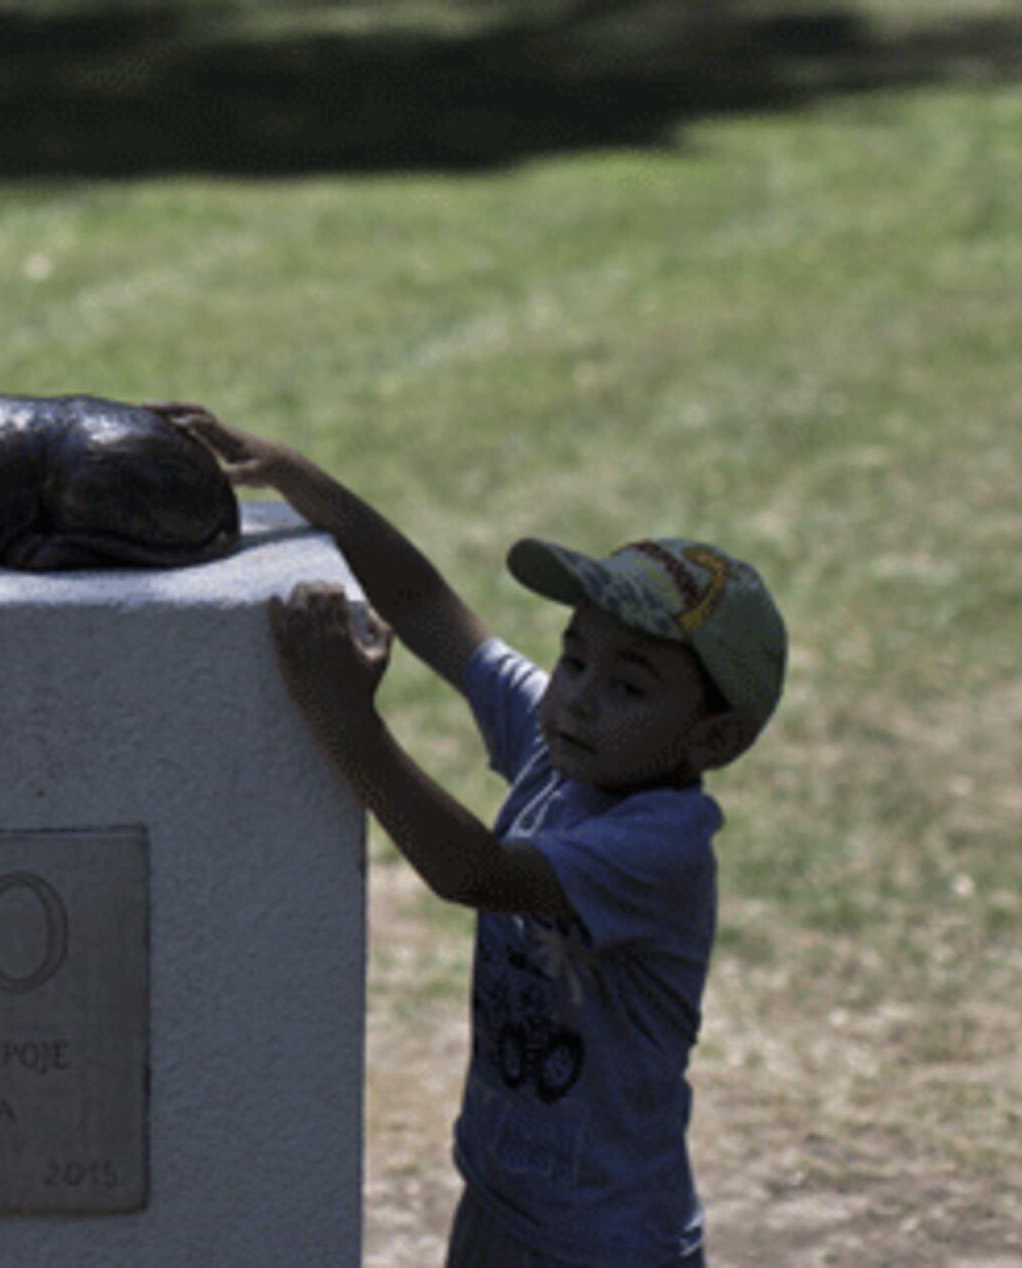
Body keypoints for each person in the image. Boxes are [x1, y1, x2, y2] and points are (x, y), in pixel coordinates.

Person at [155, 404, 788, 1268]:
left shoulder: (661, 844)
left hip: (608, 1243)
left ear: (714, 739)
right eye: (574, 660)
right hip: (503, 1202)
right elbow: (421, 603)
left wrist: (349, 722)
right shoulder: (560, 749)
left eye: (631, 686)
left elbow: (474, 872)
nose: (581, 697)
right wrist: (294, 475)